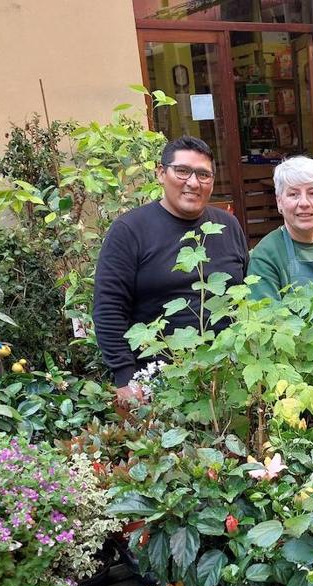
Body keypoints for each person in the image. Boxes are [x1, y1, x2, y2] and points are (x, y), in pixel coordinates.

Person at [93, 136, 247, 401]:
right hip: (159, 380)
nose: (193, 182)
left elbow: (243, 295)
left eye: (203, 174)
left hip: (227, 374)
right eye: (183, 171)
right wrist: (124, 377)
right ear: (161, 174)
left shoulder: (227, 226)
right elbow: (108, 307)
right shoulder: (131, 230)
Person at [247, 156, 313, 300]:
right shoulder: (266, 255)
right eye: (293, 194)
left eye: (312, 193)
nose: (304, 202)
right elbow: (266, 319)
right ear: (279, 202)